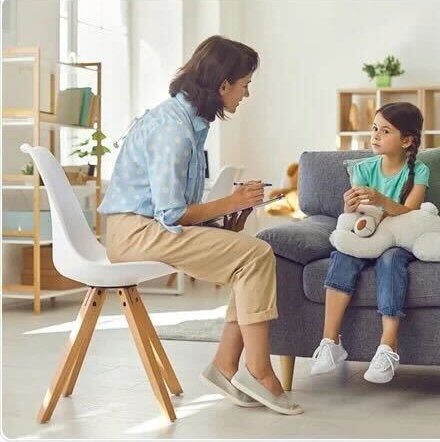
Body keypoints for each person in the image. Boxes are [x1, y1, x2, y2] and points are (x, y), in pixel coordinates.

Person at [99, 35, 302, 415]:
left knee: (251, 257)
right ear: (224, 84)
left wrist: (226, 216)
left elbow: (177, 209)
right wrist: (232, 201)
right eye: (245, 85)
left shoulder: (191, 123)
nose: (246, 94)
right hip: (134, 233)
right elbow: (172, 213)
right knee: (257, 254)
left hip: (148, 228)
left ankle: (227, 366)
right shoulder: (172, 128)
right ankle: (257, 372)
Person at [310, 102, 430, 384]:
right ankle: (330, 342)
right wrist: (349, 207)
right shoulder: (362, 169)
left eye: (385, 130)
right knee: (343, 255)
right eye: (374, 128)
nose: (375, 135)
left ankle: (388, 348)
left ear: (407, 140)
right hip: (368, 234)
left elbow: (411, 211)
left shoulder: (420, 171)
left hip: (399, 239)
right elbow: (357, 218)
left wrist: (382, 201)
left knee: (390, 260)